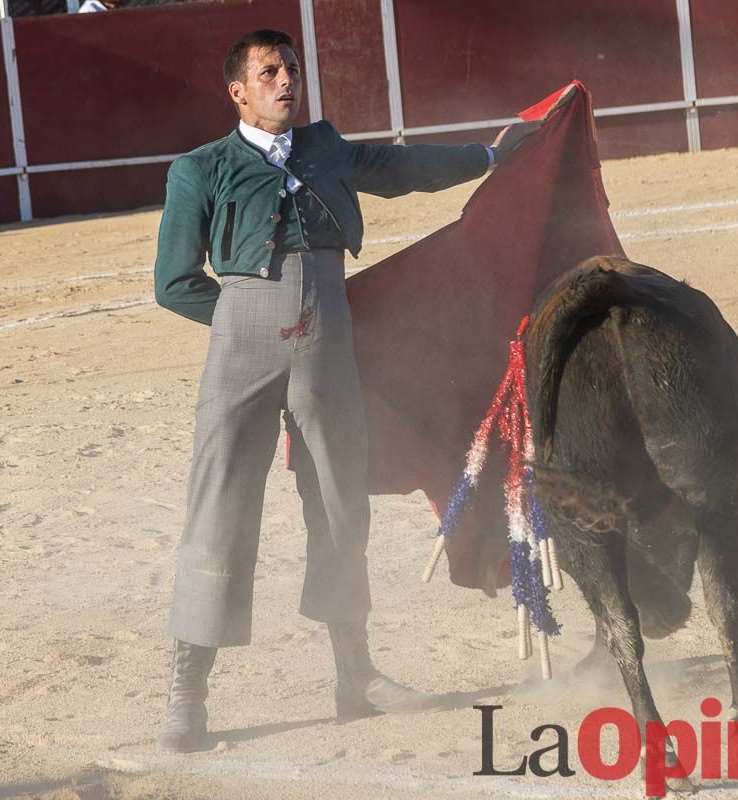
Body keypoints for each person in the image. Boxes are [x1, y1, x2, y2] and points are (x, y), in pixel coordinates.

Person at [152, 28, 538, 753]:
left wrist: (490, 155)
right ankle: (187, 697)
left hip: (327, 343)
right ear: (238, 91)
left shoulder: (325, 148)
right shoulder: (199, 169)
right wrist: (248, 321)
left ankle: (353, 678)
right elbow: (173, 282)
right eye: (269, 72)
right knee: (222, 505)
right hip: (244, 347)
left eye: (291, 69)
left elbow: (401, 166)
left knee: (339, 502)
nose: (286, 80)